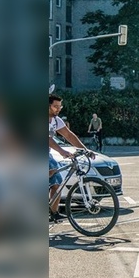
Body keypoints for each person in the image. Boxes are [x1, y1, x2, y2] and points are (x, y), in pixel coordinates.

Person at [49, 94, 91, 222]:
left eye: (60, 106)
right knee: (52, 168)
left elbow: (69, 135)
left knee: (56, 184)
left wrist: (85, 150)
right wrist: (61, 151)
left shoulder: (56, 120)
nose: (58, 109)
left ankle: (53, 213)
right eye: (55, 106)